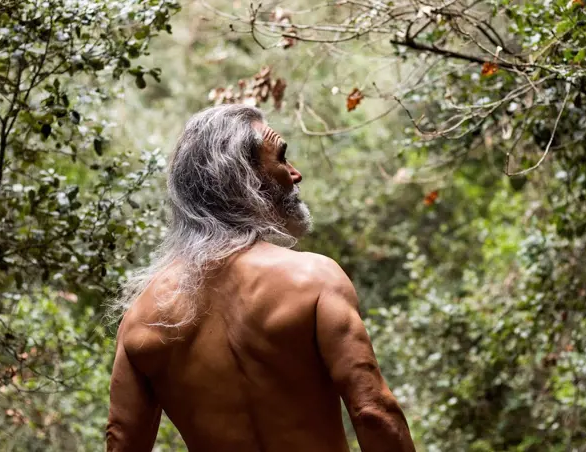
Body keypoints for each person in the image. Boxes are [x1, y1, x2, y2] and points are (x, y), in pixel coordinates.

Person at [106, 105, 416, 452]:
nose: (295, 174)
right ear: (243, 176)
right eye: (282, 158)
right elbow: (374, 413)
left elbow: (122, 441)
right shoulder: (314, 279)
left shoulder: (142, 318)